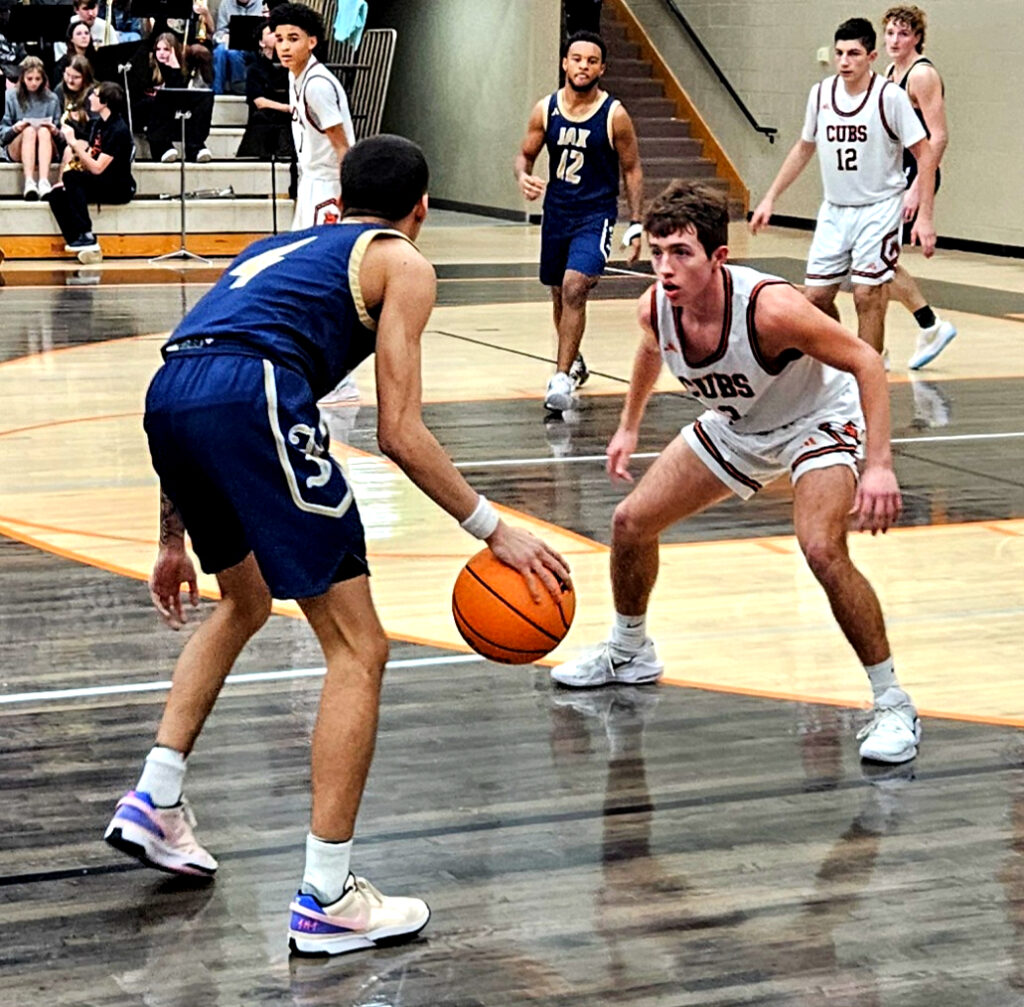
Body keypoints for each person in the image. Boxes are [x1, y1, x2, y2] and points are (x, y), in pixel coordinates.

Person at [101, 133, 572, 956]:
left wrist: (171, 538)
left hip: (171, 396)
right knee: (360, 646)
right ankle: (326, 894)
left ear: (339, 199)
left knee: (245, 601)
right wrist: (499, 530)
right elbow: (399, 430)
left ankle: (156, 797)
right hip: (254, 394)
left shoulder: (277, 245)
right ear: (420, 208)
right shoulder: (401, 261)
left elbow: (193, 375)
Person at [553, 180, 921, 766]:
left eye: (680, 253)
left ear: (718, 257)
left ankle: (892, 702)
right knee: (629, 523)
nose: (665, 267)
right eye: (656, 252)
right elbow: (652, 347)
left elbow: (865, 360)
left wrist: (879, 465)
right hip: (739, 422)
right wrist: (628, 425)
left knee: (821, 548)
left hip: (817, 420)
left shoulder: (771, 309)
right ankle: (630, 651)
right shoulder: (656, 304)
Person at [750, 17, 937, 361]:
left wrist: (924, 215)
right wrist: (770, 196)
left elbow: (925, 153)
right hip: (835, 210)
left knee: (867, 294)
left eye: (853, 53)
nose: (845, 61)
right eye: (839, 53)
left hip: (879, 208)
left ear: (872, 56)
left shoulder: (889, 97)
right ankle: (845, 357)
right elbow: (803, 147)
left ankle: (869, 366)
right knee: (815, 298)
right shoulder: (820, 94)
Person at [515, 30, 643, 414]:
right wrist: (523, 176)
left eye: (591, 60)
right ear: (564, 63)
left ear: (602, 67)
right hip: (557, 212)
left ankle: (561, 377)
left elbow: (633, 168)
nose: (583, 66)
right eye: (577, 58)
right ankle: (574, 360)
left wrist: (636, 223)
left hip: (595, 214)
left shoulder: (614, 115)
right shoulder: (546, 109)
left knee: (574, 287)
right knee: (558, 292)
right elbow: (524, 155)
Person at [270, 1, 358, 405]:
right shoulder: (296, 76)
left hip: (328, 189)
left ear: (313, 41)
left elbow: (344, 148)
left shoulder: (319, 85)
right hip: (310, 185)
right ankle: (316, 367)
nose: (284, 46)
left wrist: (349, 199)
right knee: (300, 277)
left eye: (293, 39)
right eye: (279, 38)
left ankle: (341, 379)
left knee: (324, 282)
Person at [882, 5, 955, 370]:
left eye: (903, 34)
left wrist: (920, 194)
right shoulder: (889, 71)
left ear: (917, 38)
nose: (896, 40)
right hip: (896, 172)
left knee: (875, 261)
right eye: (891, 33)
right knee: (877, 261)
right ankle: (929, 326)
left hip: (917, 171)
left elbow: (938, 139)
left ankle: (883, 347)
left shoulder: (921, 75)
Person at [46, 80, 136, 264]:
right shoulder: (98, 124)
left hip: (118, 186)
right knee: (56, 194)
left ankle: (86, 233)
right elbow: (89, 156)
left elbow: (96, 168)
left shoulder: (118, 130)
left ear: (105, 102)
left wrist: (72, 143)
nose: (90, 98)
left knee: (72, 178)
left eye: (95, 95)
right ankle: (80, 241)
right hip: (101, 180)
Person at [140, 32, 213, 163]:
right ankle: (163, 148)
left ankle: (195, 147)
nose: (161, 53)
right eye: (158, 49)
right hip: (147, 110)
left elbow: (177, 94)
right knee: (159, 101)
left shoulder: (180, 69)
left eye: (166, 49)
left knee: (202, 100)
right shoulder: (147, 67)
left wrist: (174, 68)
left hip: (170, 112)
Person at [1, 56, 61, 200]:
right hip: (19, 143)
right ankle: (29, 181)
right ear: (22, 78)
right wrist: (16, 128)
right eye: (29, 79)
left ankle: (44, 181)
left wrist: (54, 130)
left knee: (43, 131)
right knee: (28, 131)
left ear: (43, 79)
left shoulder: (52, 99)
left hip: (45, 144)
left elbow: (61, 136)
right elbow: (2, 133)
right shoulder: (10, 96)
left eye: (37, 79)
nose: (34, 83)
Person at [235, 19, 294, 161]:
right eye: (271, 32)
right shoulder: (255, 69)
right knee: (262, 117)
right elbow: (259, 101)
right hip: (266, 117)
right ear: (261, 42)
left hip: (288, 116)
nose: (276, 35)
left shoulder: (290, 66)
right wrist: (286, 107)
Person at [54, 55, 96, 172]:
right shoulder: (59, 91)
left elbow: (96, 128)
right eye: (67, 75)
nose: (70, 80)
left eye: (76, 77)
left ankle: (63, 184)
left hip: (86, 140)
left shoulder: (93, 94)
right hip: (61, 141)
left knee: (72, 150)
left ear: (85, 77)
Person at [212, 0, 259, 94]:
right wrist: (224, 37)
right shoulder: (225, 4)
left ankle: (239, 87)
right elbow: (220, 31)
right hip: (231, 42)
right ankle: (216, 93)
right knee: (219, 51)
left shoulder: (262, 3)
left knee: (233, 52)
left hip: (254, 46)